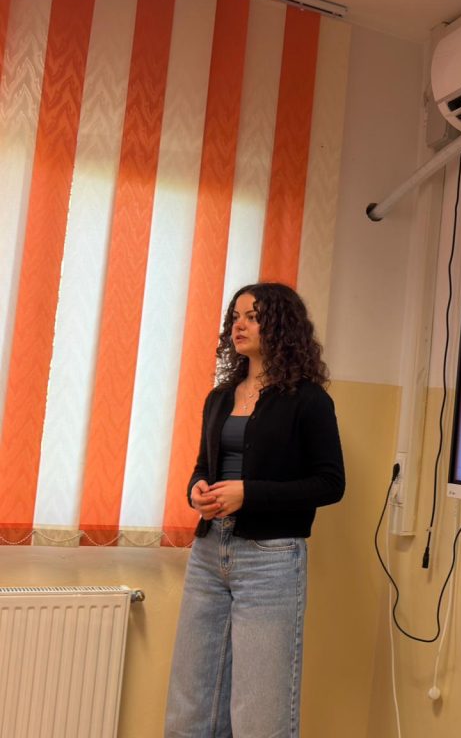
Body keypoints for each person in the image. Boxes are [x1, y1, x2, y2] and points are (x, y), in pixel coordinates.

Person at [165, 283, 344, 738]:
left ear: (280, 326)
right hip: (209, 553)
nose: (239, 325)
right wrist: (196, 491)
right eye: (235, 317)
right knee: (191, 705)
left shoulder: (309, 399)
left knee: (261, 714)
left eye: (253, 316)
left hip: (271, 560)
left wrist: (250, 494)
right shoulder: (220, 397)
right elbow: (202, 467)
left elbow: (330, 484)